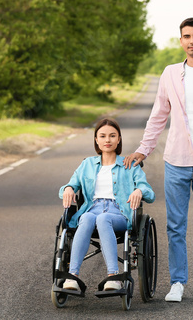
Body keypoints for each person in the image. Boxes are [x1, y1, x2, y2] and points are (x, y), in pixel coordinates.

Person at [123, 17, 193, 303]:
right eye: (187, 36)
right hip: (176, 160)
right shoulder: (171, 74)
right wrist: (143, 149)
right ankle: (177, 282)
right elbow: (158, 116)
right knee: (175, 225)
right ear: (180, 41)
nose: (192, 41)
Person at [59, 118, 155, 292]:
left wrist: (139, 191)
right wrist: (68, 189)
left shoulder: (130, 164)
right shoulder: (87, 164)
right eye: (102, 136)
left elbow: (149, 192)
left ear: (119, 139)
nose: (107, 140)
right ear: (96, 140)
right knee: (86, 217)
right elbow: (70, 184)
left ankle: (114, 277)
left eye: (112, 136)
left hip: (119, 213)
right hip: (92, 208)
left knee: (103, 218)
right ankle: (72, 277)